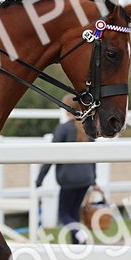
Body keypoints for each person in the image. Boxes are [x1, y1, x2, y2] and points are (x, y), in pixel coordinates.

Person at [35, 95, 97, 245]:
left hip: (69, 180)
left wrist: (40, 179)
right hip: (86, 179)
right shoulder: (87, 128)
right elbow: (94, 156)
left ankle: (79, 233)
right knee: (74, 213)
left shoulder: (63, 129)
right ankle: (78, 246)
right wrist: (94, 179)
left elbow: (51, 156)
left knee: (63, 213)